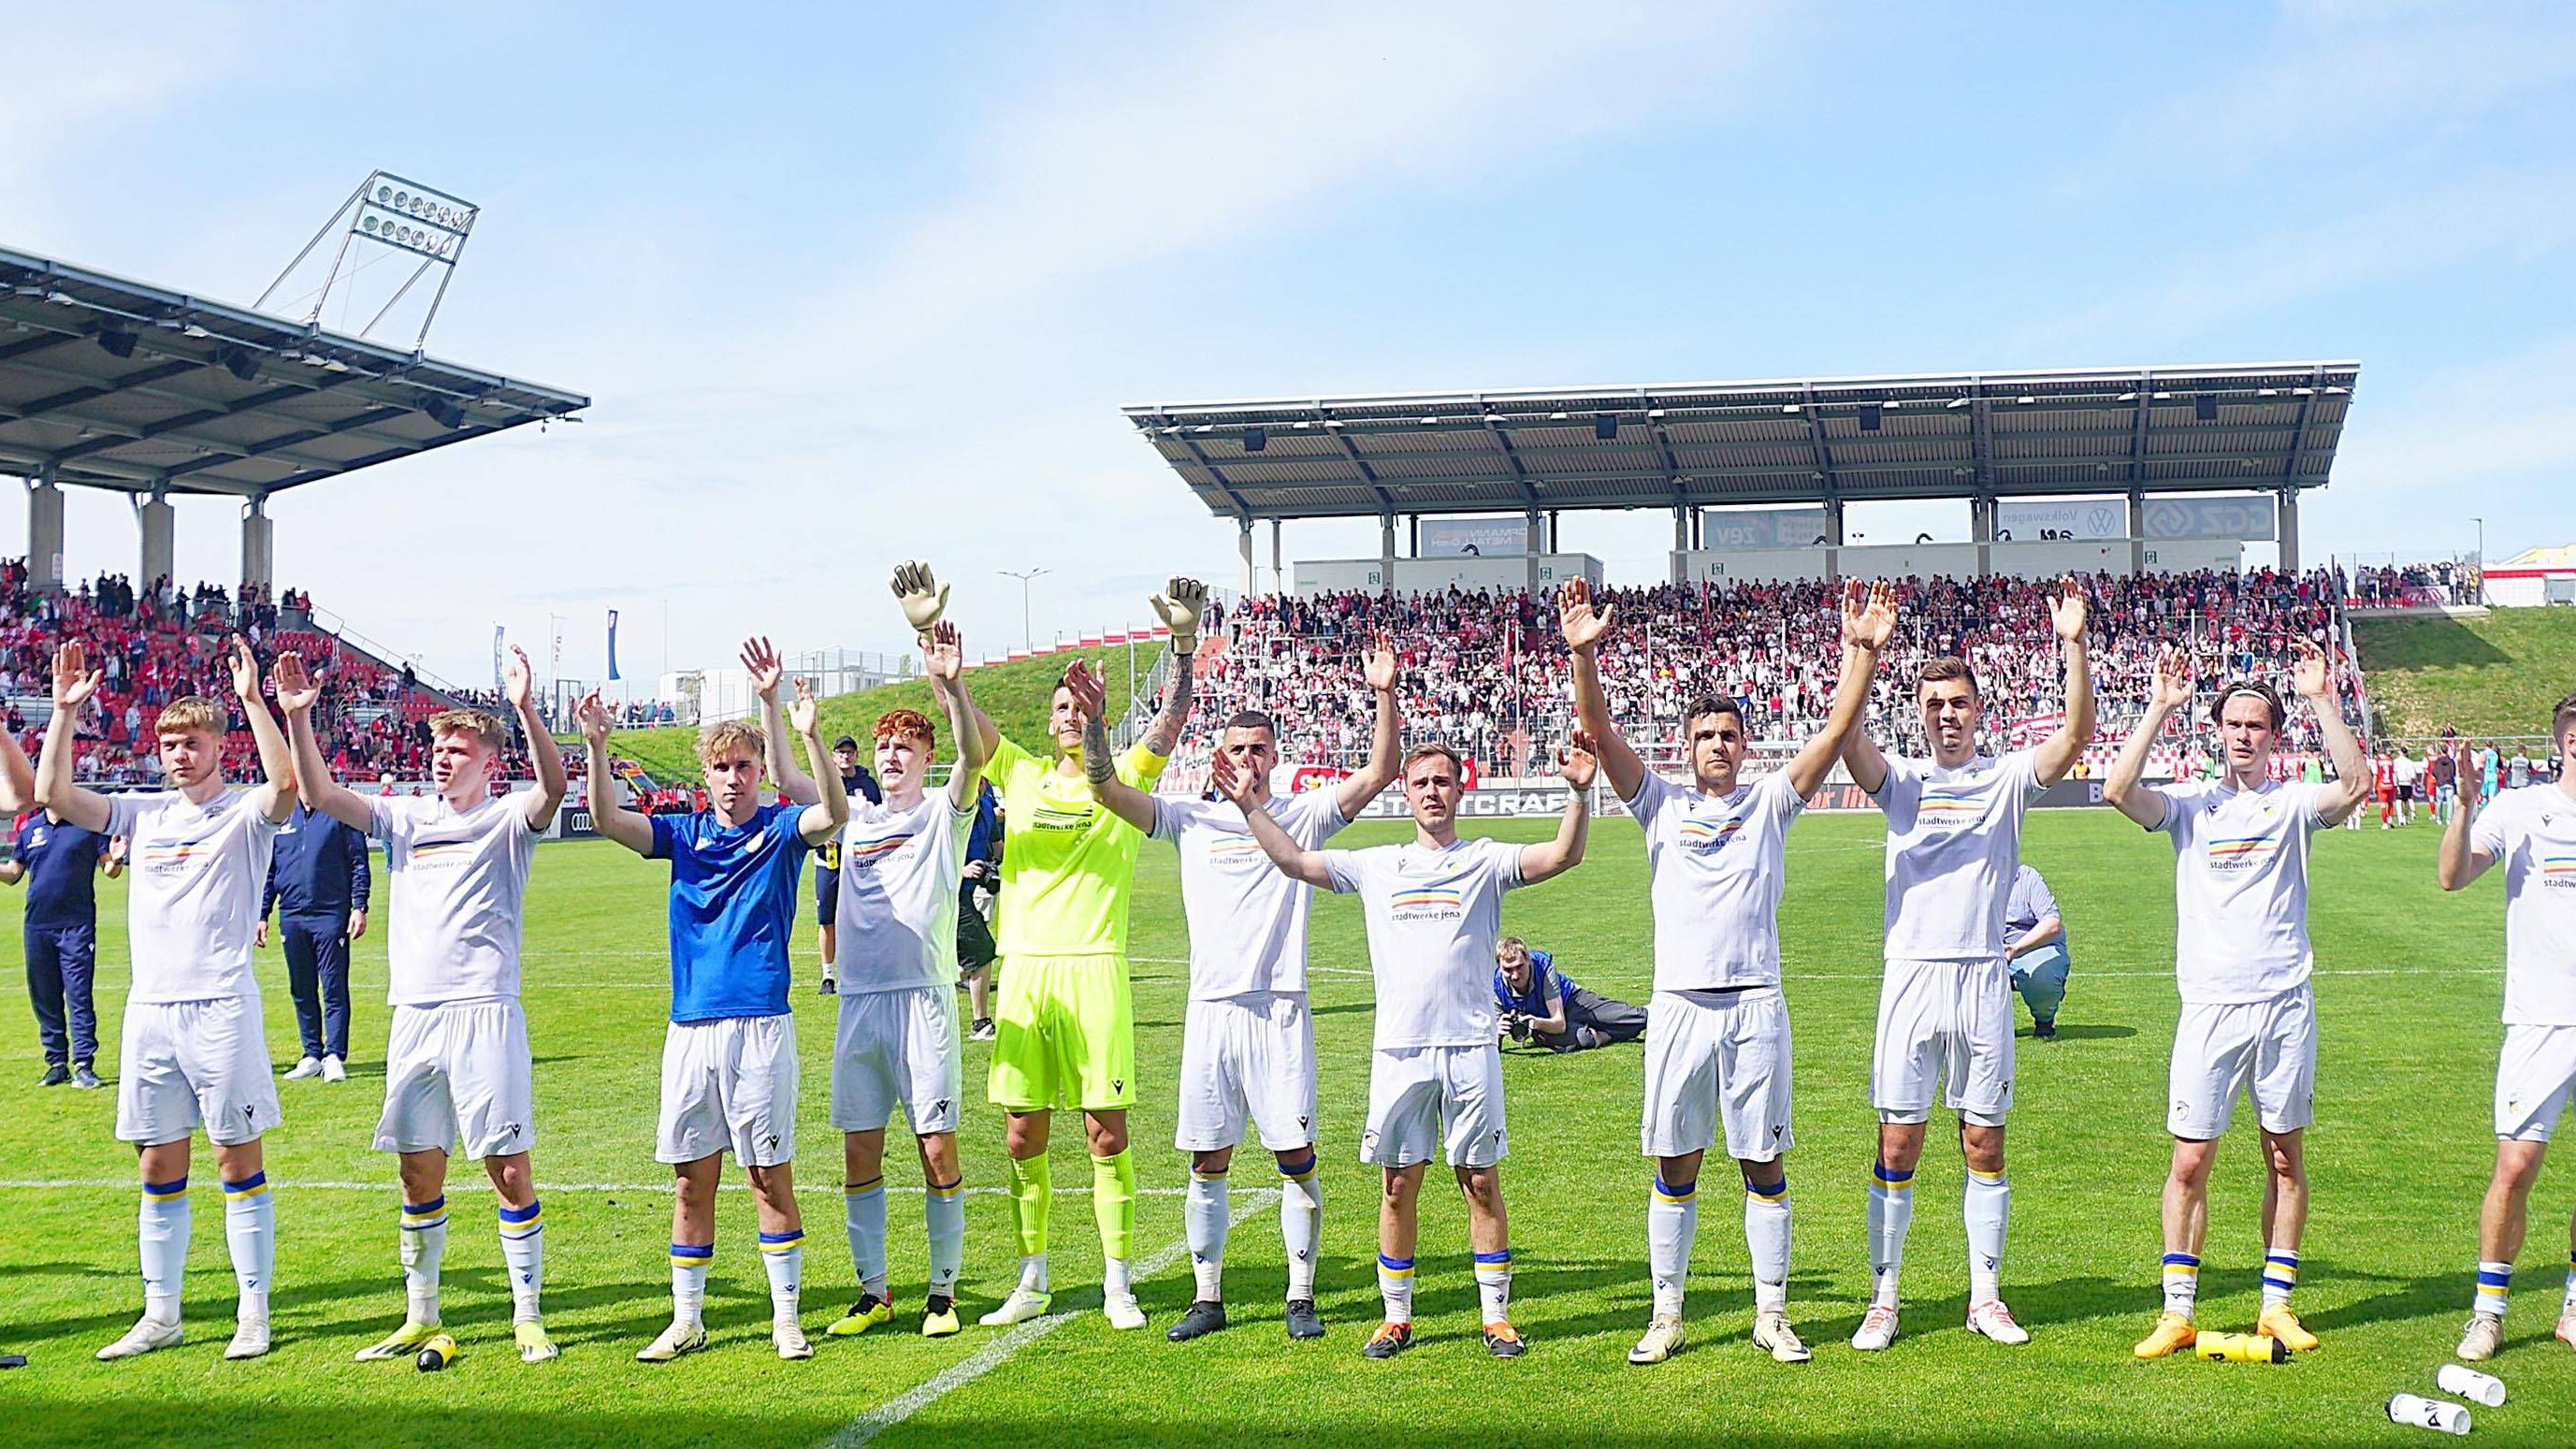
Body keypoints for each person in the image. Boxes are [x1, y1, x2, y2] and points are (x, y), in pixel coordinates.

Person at [1561, 573, 1889, 1365]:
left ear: (1745, 746)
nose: (1717, 744)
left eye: (1729, 734)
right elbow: (1598, 730)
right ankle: (1667, 1313)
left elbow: (1841, 725)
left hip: (1753, 1007)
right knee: (1676, 1164)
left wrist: (1863, 655)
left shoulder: (1771, 801)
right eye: (1705, 734)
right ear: (1688, 745)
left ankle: (1771, 1314)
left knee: (1763, 1161)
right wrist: (1584, 656)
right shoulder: (1659, 803)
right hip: (1679, 1007)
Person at [1218, 733, 1595, 1360]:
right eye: (1421, 782)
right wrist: (1251, 808)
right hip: (1400, 1051)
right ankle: (1396, 1317)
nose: (1432, 792)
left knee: (1479, 1180)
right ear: (1406, 791)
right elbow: (1295, 862)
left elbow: (1563, 854)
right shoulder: (1377, 864)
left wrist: (1580, 792)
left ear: (1460, 787)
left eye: (1443, 781)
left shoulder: (1485, 859)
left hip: (1470, 1045)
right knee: (1397, 1183)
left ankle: (1495, 1317)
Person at [1088, 629, 1397, 1343]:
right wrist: (1102, 728)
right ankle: (1207, 1295)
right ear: (1218, 757)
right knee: (1209, 1156)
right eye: (1236, 749)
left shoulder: (1305, 814)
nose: (1247, 759)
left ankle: (1299, 1295)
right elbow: (1106, 789)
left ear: (1274, 758)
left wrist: (1382, 693)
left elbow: (1381, 770)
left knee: (1294, 1156)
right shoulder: (1189, 819)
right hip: (1210, 1013)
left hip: (1279, 1010)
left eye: (1259, 748)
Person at [273, 645, 569, 1365]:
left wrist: (526, 708)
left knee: (508, 1167)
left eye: (459, 749)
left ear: (488, 761)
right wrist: (299, 719)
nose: (443, 758)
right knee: (417, 1170)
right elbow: (320, 795)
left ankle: (527, 1314)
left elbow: (554, 788)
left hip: (485, 1010)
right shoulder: (405, 817)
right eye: (438, 747)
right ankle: (419, 1312)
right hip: (416, 1015)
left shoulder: (505, 819)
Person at [1837, 574, 2096, 1352]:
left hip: (1982, 975)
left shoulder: (2007, 777)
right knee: (1898, 1142)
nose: (1947, 715)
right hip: (1912, 976)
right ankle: (1884, 1297)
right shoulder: (1904, 781)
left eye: (1958, 703)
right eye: (1933, 706)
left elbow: (2077, 736)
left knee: (1984, 1141)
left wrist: (2073, 643)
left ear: (1978, 709)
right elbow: (1848, 741)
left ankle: (1986, 1296)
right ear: (1919, 715)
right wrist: (1864, 655)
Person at [579, 645, 847, 1363]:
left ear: (761, 772)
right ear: (705, 775)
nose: (734, 779)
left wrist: (798, 724)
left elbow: (835, 811)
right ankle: (687, 1319)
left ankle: (785, 1318)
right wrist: (597, 746)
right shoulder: (684, 835)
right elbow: (608, 820)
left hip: (760, 1023)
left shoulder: (781, 832)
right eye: (723, 768)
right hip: (691, 1029)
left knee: (767, 1174)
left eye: (746, 767)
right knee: (691, 1181)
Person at [2104, 641, 2370, 1359]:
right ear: (2218, 731)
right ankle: (2177, 1310)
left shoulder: (2290, 805)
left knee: (2283, 1156)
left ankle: (2276, 1305)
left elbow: (2355, 784)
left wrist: (2321, 698)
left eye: (2258, 724)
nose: (2245, 734)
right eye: (2234, 724)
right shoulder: (2191, 806)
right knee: (2190, 1161)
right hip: (2210, 1006)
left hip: (2283, 1003)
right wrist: (2158, 706)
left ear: (2274, 735)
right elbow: (2118, 791)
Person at [37, 637, 297, 1361]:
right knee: (156, 1165)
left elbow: (286, 787)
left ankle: (254, 1311)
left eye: (192, 741)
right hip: (150, 1011)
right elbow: (54, 796)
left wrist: (252, 699)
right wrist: (63, 712)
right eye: (170, 743)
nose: (179, 754)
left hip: (220, 1007)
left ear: (220, 745)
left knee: (236, 1159)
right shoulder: (140, 814)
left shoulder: (245, 813)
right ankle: (163, 1313)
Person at [975, 578, 1206, 1332]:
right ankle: (1033, 1276)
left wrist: (1181, 645)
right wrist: (943, 668)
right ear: (1047, 724)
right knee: (1020, 1132)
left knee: (1106, 1132)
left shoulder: (1122, 773)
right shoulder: (1019, 773)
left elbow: (1172, 718)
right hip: (1026, 973)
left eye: (1080, 708)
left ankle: (1117, 1281)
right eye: (1061, 709)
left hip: (1094, 967)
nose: (1070, 717)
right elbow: (970, 728)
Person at [789, 568, 989, 1342]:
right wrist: (807, 729)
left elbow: (973, 754)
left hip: (925, 998)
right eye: (884, 746)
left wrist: (951, 682)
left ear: (927, 753)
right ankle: (874, 1291)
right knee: (859, 1151)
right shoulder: (855, 818)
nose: (893, 756)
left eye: (907, 745)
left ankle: (943, 1290)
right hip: (860, 1005)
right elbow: (791, 781)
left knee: (936, 1146)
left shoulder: (946, 810)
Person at [2439, 718, 2576, 1362]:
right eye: (2574, 730)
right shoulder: (2521, 808)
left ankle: (2574, 1301)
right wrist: (2464, 806)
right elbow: (2452, 875)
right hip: (2539, 1019)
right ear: (2562, 741)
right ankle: (2488, 1312)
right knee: (2515, 1166)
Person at [4, 732, 117, 1088]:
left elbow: (109, 868)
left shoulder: (86, 824)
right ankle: (56, 1063)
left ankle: (84, 1063)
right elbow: (12, 874)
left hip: (76, 925)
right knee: (45, 995)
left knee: (79, 994)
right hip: (37, 924)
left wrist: (119, 856)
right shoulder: (30, 828)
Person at [256, 782, 373, 1083]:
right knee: (301, 987)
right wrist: (262, 914)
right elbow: (270, 871)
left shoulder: (339, 814)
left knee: (333, 987)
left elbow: (359, 862)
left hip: (330, 913)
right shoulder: (283, 818)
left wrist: (359, 906)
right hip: (292, 914)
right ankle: (311, 1054)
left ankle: (334, 1055)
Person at [812, 732, 883, 995]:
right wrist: (824, 837)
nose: (845, 755)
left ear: (856, 755)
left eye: (849, 751)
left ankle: (862, 969)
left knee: (862, 917)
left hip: (860, 859)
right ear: (833, 756)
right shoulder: (825, 781)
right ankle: (827, 974)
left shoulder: (869, 784)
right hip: (828, 858)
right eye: (841, 752)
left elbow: (879, 818)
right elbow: (812, 814)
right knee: (827, 918)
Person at [1490, 939, 1644, 1052]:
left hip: (1572, 1000)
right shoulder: (1495, 985)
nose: (1515, 975)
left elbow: (1559, 1023)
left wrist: (1536, 1023)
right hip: (1545, 1026)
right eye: (1508, 969)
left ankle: (1656, 1013)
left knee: (1636, 1017)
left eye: (1519, 967)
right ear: (1499, 967)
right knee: (1583, 1038)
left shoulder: (1543, 966)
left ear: (1528, 960)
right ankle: (1604, 1034)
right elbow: (1493, 1046)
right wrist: (1497, 1033)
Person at [2003, 864, 2070, 1040]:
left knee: (2042, 978)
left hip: (2032, 947)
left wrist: (2015, 949)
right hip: (1986, 949)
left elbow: (2052, 924)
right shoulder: (1968, 878)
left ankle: (2044, 1020)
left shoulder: (2026, 877)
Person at [959, 779, 1000, 1041]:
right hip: (947, 892)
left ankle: (959, 975)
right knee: (983, 952)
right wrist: (959, 870)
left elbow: (997, 846)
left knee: (975, 953)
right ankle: (980, 1023)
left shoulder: (985, 806)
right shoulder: (952, 809)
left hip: (966, 893)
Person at [2432, 746, 2460, 825]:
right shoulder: (2451, 761)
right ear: (2447, 751)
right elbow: (2454, 771)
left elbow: (2434, 771)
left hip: (2440, 783)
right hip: (2449, 782)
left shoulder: (2437, 761)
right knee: (2450, 802)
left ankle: (2439, 819)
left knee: (2439, 802)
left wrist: (2438, 778)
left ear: (2441, 751)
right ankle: (2449, 819)